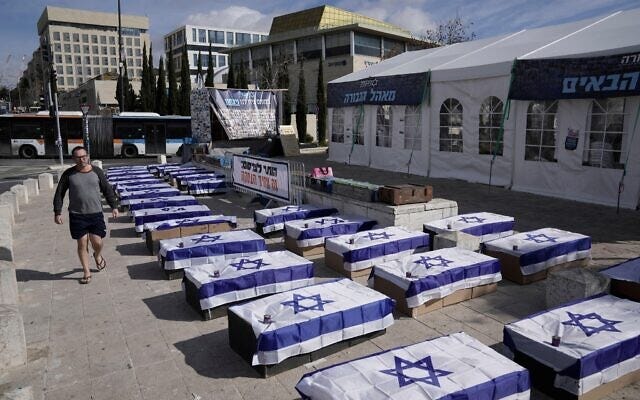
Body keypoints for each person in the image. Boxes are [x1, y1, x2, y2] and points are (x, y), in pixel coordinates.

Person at [53, 146, 118, 284]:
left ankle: (97, 255)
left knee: (97, 242)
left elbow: (107, 190)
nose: (82, 159)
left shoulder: (97, 172)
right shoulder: (68, 174)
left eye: (84, 156)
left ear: (87, 156)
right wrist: (57, 212)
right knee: (82, 243)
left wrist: (114, 206)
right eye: (78, 157)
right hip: (77, 215)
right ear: (74, 159)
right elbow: (59, 193)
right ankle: (86, 272)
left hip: (95, 214)